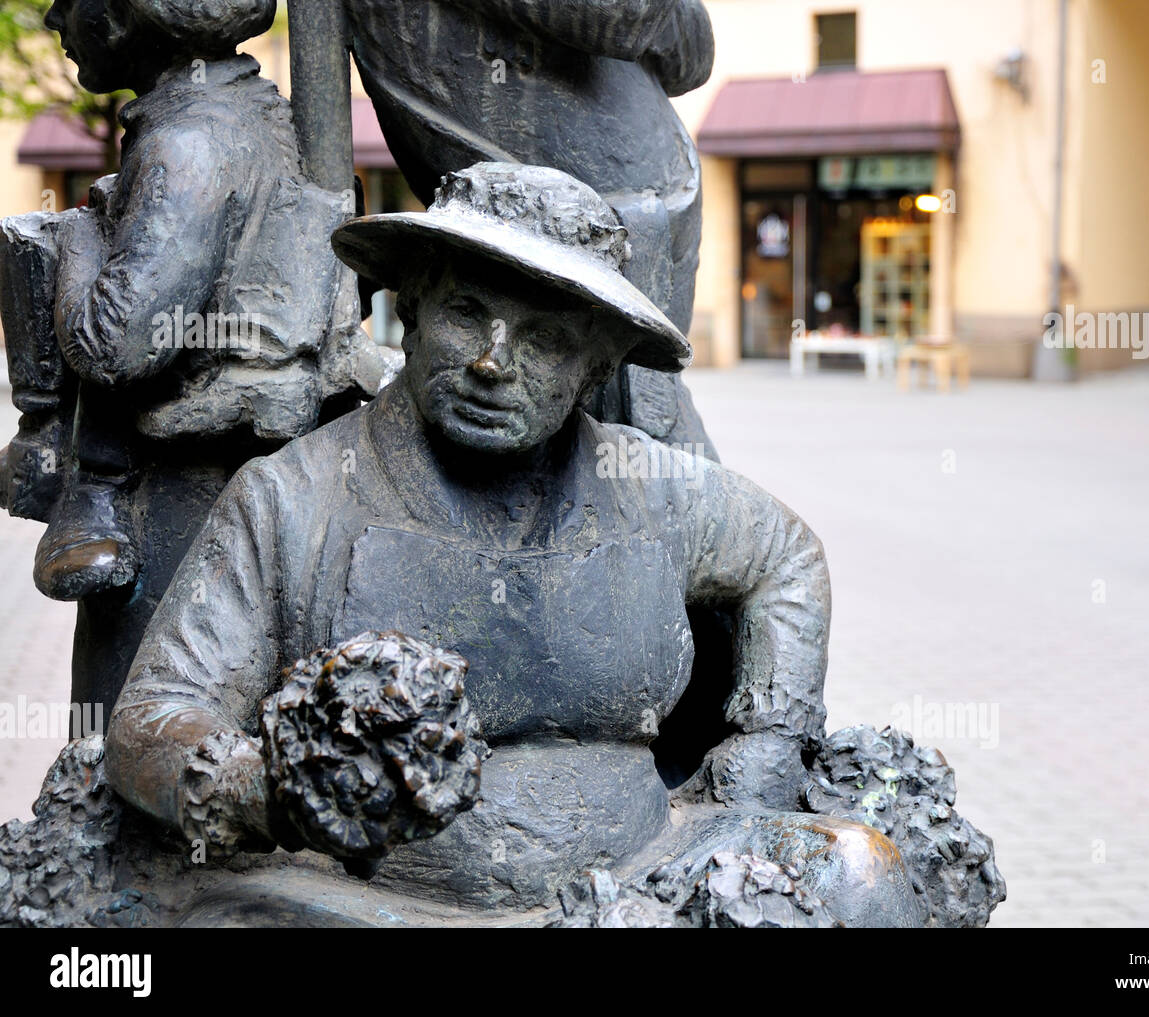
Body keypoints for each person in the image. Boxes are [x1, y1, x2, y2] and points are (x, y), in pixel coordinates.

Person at [105, 164, 921, 927]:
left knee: (862, 875)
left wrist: (768, 742)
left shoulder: (650, 486)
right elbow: (150, 718)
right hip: (367, 902)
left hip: (643, 876)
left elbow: (787, 558)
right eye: (468, 314)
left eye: (546, 340)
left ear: (595, 365)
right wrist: (269, 788)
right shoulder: (293, 496)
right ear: (412, 308)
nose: (497, 362)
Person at [0, 0, 395, 709]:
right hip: (236, 476)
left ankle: (85, 481)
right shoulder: (252, 113)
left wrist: (75, 239)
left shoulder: (189, 144)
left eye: (71, 0)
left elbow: (111, 343)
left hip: (188, 496)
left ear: (124, 15)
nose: (58, 19)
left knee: (130, 728)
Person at [345, 0, 717, 452]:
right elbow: (620, 17)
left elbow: (691, 57)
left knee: (651, 483)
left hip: (634, 251)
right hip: (526, 253)